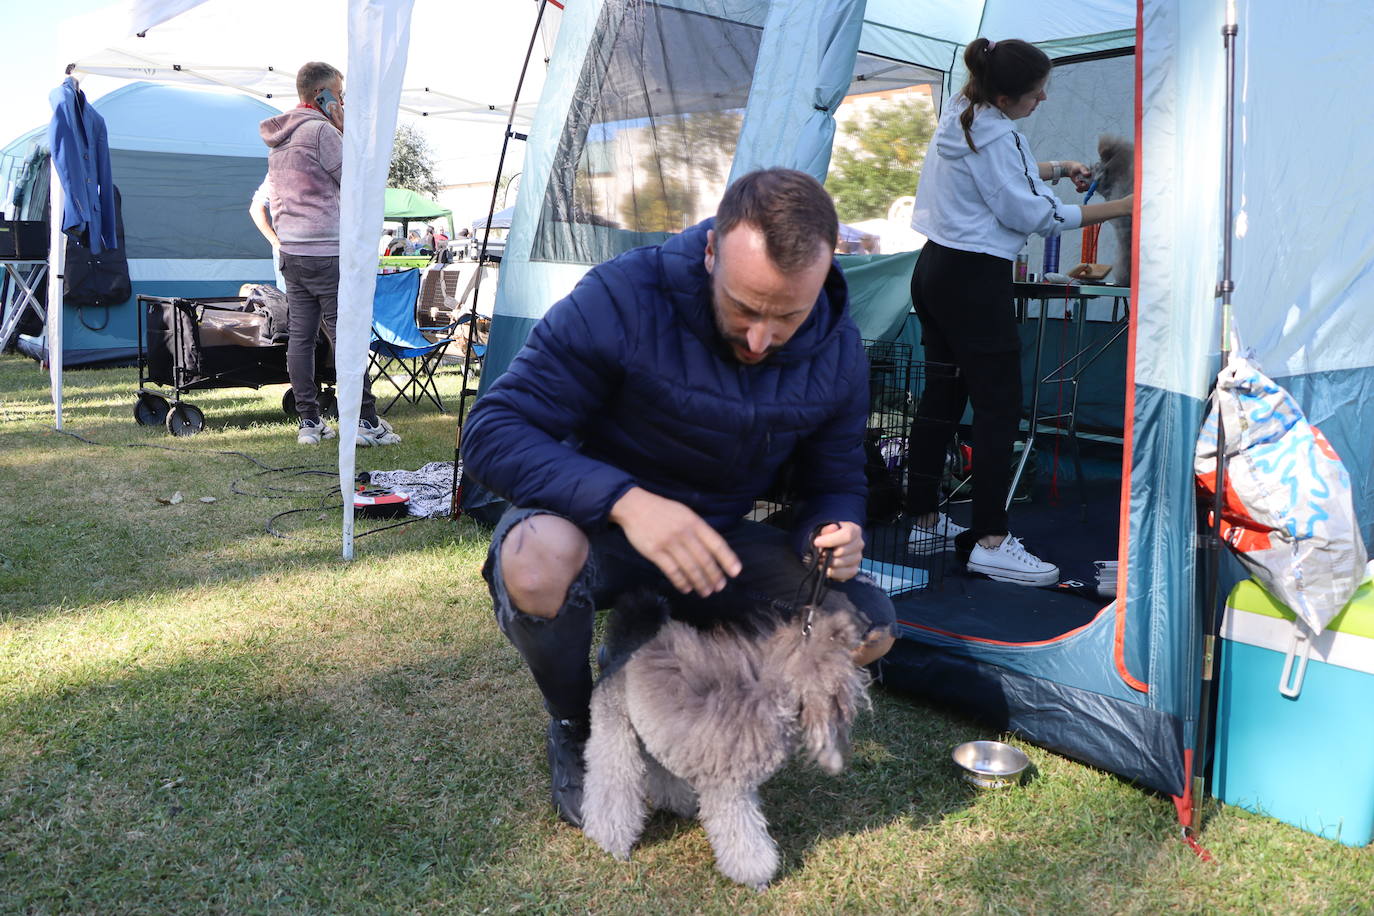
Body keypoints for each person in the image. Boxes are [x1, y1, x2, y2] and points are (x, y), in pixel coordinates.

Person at [462, 168, 897, 829]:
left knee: (869, 627)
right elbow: (493, 432)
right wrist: (627, 501)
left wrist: (836, 528)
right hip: (594, 530)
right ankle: (576, 725)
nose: (761, 339)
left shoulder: (838, 349)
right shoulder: (621, 296)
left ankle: (682, 703)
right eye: (745, 308)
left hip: (711, 547)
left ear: (825, 274)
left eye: (787, 316)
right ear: (711, 252)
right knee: (535, 561)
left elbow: (834, 479)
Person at [903, 37, 1134, 586]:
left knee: (941, 399)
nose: (1044, 100)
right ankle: (991, 539)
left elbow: (1001, 177)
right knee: (998, 407)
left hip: (934, 271)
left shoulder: (963, 111)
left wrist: (1056, 167)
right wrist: (1127, 205)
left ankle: (922, 519)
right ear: (1006, 98)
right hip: (973, 280)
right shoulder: (998, 133)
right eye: (1036, 94)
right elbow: (1031, 214)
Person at [257, 61, 401, 447]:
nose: (343, 98)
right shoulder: (321, 131)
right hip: (327, 251)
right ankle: (364, 420)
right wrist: (342, 127)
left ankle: (309, 421)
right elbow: (358, 181)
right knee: (346, 336)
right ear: (323, 94)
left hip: (292, 251)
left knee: (300, 339)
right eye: (340, 92)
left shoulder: (278, 136)